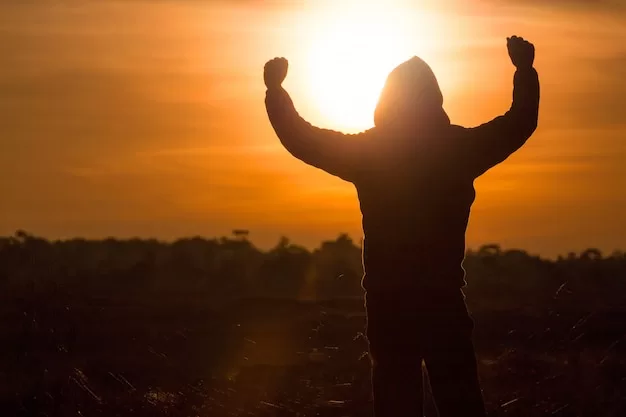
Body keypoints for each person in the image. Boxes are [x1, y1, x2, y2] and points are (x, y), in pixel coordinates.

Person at [263, 35, 539, 417]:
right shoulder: (458, 148)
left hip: (389, 301)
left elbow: (303, 140)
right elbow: (520, 122)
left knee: (397, 404)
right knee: (460, 403)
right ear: (435, 99)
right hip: (441, 298)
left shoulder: (372, 152)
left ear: (386, 99)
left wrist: (276, 92)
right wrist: (524, 71)